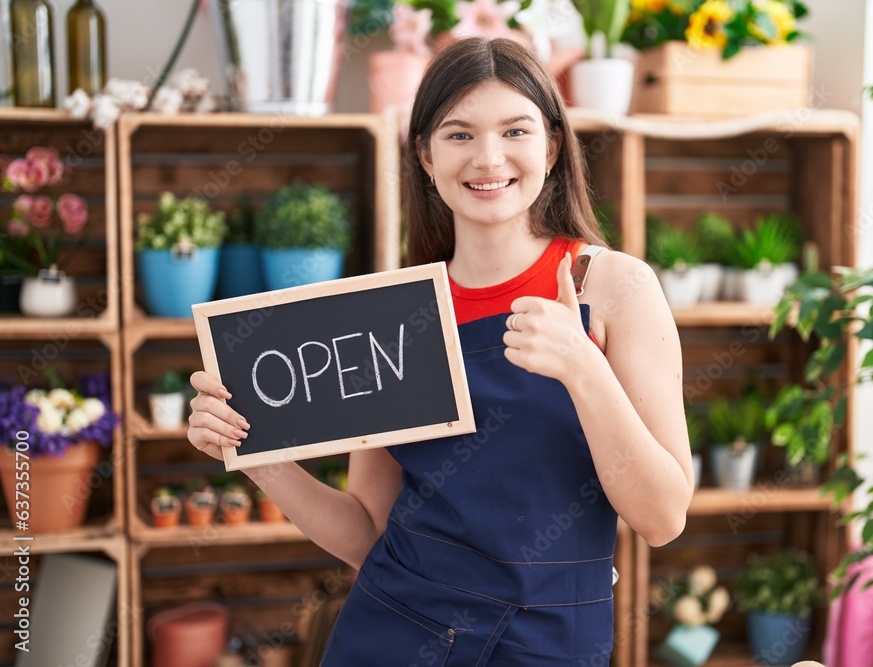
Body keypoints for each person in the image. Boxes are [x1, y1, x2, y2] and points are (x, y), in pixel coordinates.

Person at [187, 36, 693, 666]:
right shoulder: (396, 313)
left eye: (516, 131)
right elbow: (366, 533)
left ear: (553, 146)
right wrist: (259, 458)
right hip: (391, 630)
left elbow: (664, 515)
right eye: (459, 135)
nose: (488, 158)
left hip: (546, 644)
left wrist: (583, 366)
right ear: (425, 155)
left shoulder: (615, 288)